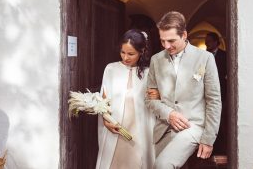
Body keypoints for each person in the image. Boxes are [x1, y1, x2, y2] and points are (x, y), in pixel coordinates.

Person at [145, 11, 222, 169]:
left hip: (192, 127)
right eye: (162, 41)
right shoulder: (156, 60)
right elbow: (150, 99)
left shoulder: (205, 58)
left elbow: (214, 100)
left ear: (184, 35)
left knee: (162, 166)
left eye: (171, 40)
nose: (166, 46)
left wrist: (208, 139)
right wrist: (169, 114)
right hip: (163, 130)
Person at [96, 29, 156, 169]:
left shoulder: (149, 73)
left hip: (138, 132)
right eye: (123, 52)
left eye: (131, 54)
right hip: (116, 129)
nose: (125, 57)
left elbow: (154, 104)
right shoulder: (111, 69)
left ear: (142, 52)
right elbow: (103, 101)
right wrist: (106, 121)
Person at [205, 32, 227, 155]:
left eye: (208, 41)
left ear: (215, 42)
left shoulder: (224, 55)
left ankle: (221, 147)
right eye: (205, 41)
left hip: (222, 92)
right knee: (210, 118)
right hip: (207, 92)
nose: (206, 43)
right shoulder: (205, 56)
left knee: (220, 119)